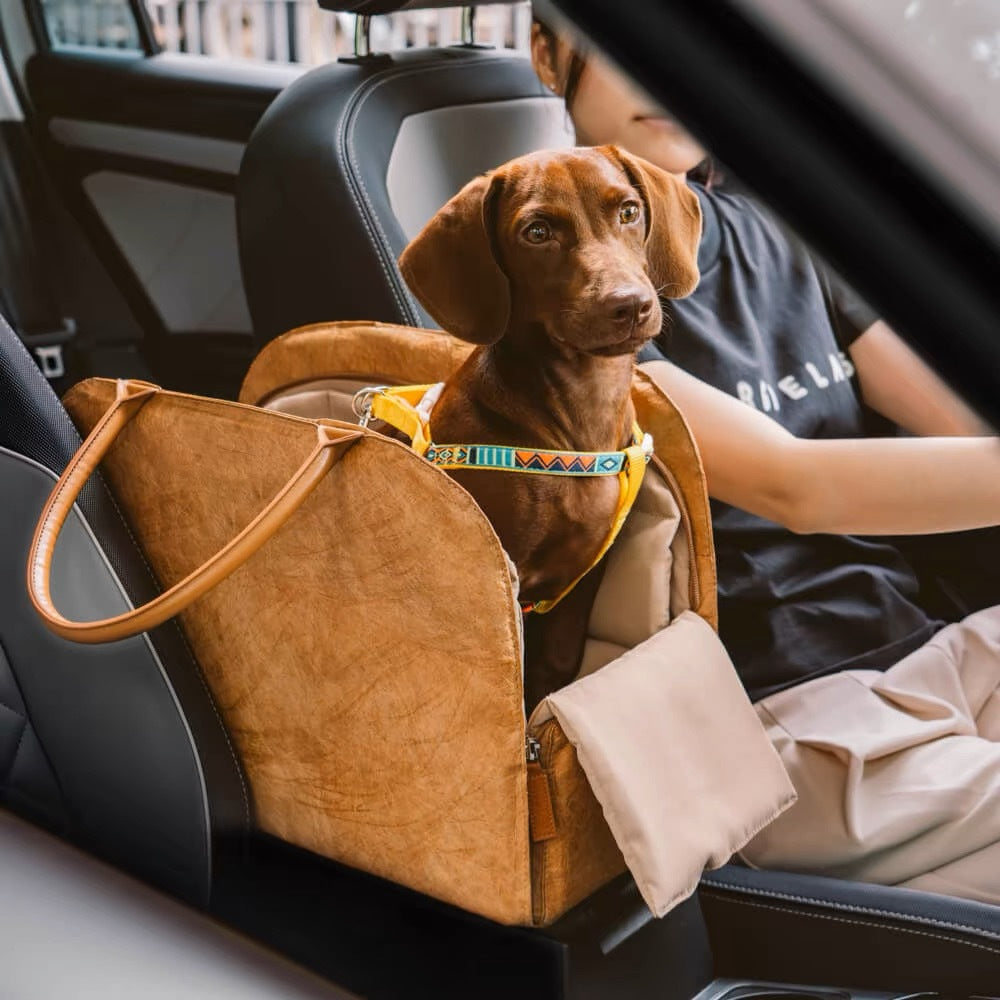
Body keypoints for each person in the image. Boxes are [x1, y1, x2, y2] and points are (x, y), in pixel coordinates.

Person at [531, 17, 1000, 905]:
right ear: (547, 53)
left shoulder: (775, 228)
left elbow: (953, 420)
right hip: (789, 723)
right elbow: (796, 488)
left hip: (932, 648)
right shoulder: (565, 286)